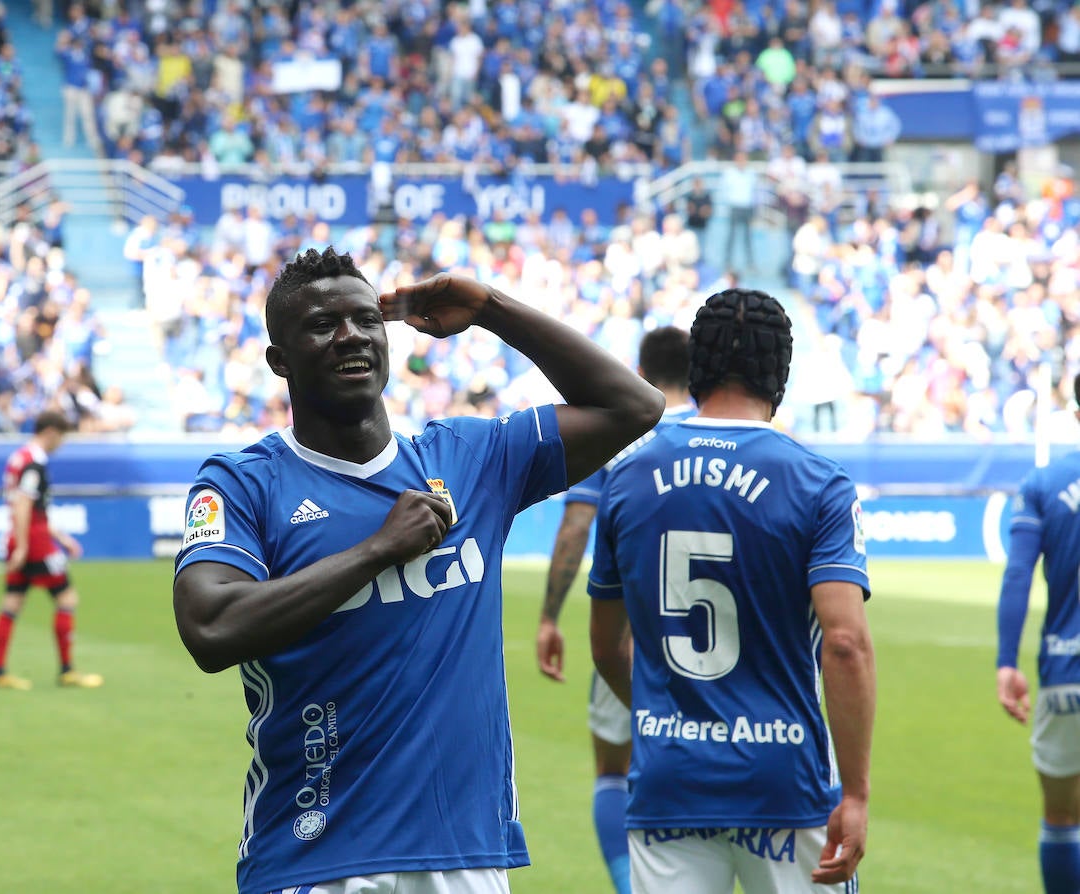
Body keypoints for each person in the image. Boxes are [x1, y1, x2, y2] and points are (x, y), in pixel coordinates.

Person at [173, 246, 664, 894]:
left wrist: (490, 308)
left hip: (465, 858)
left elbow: (633, 407)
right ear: (279, 360)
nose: (351, 335)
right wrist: (376, 550)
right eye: (323, 325)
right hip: (316, 860)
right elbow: (210, 628)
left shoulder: (469, 457)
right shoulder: (243, 482)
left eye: (365, 319)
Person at [588, 288, 876, 893]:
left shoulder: (628, 477)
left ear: (697, 366)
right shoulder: (819, 483)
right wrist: (855, 792)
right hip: (786, 781)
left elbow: (608, 646)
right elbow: (844, 642)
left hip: (669, 777)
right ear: (781, 372)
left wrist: (673, 718)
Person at [535, 325, 695, 894]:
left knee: (613, 771)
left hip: (632, 632)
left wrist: (549, 617)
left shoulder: (624, 434)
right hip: (719, 639)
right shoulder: (720, 435)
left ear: (640, 374)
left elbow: (576, 527)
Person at [996, 371, 1080, 894]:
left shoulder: (1043, 484)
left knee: (1062, 817)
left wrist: (1007, 661)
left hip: (1065, 669)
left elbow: (1018, 575)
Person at [0, 409, 102, 690]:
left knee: (12, 602)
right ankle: (67, 670)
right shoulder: (34, 463)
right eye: (61, 437)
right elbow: (24, 504)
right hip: (34, 543)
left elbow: (28, 507)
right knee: (67, 598)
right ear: (51, 432)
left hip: (22, 537)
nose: (61, 444)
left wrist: (61, 538)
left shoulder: (20, 457)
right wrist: (24, 546)